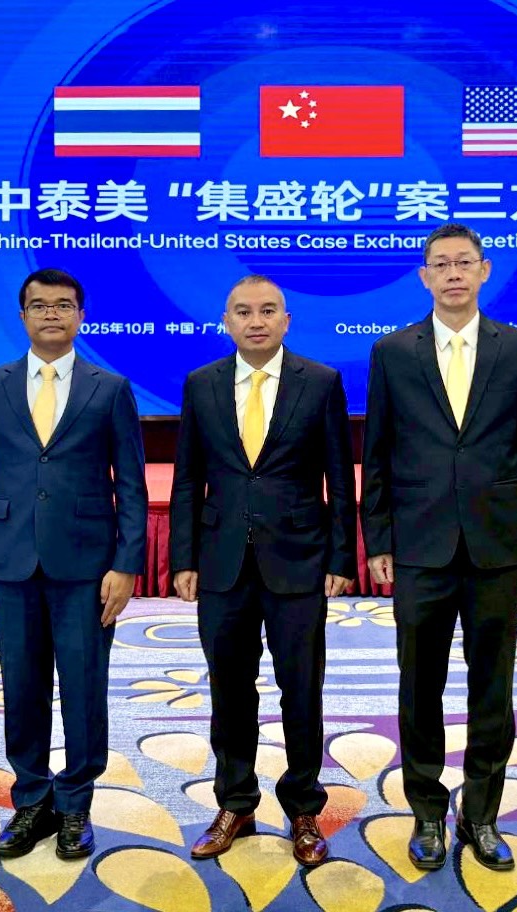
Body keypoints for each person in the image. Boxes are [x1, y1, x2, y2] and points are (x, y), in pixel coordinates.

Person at [362, 223, 517, 872]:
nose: (452, 273)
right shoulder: (393, 352)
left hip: (496, 544)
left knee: (491, 688)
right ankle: (426, 810)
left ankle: (481, 813)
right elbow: (378, 452)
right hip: (419, 546)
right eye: (440, 264)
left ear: (483, 270)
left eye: (463, 263)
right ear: (424, 277)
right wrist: (379, 536)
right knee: (419, 686)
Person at [0, 268, 148, 861]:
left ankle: (75, 803)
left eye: (63, 305)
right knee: (22, 687)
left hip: (87, 567)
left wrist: (126, 563)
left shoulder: (109, 388)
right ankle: (31, 800)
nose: (51, 314)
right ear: (22, 316)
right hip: (10, 563)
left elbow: (132, 486)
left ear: (80, 316)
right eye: (39, 306)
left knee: (85, 688)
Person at [169, 274, 356, 867]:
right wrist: (183, 557)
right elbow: (186, 479)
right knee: (229, 689)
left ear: (286, 320)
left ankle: (303, 808)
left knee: (300, 689)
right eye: (244, 311)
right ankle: (235, 803)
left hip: (299, 560)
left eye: (268, 310)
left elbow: (339, 477)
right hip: (221, 562)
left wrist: (341, 557)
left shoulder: (320, 382)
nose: (256, 321)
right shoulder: (201, 384)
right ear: (227, 321)